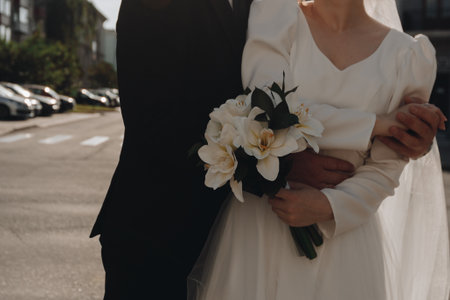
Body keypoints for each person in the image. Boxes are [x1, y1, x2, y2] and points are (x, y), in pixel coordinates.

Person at [89, 0, 445, 298]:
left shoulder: (405, 55)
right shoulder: (274, 14)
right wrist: (283, 163)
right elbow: (156, 122)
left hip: (341, 243)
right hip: (162, 230)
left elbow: (387, 162)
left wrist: (409, 137)